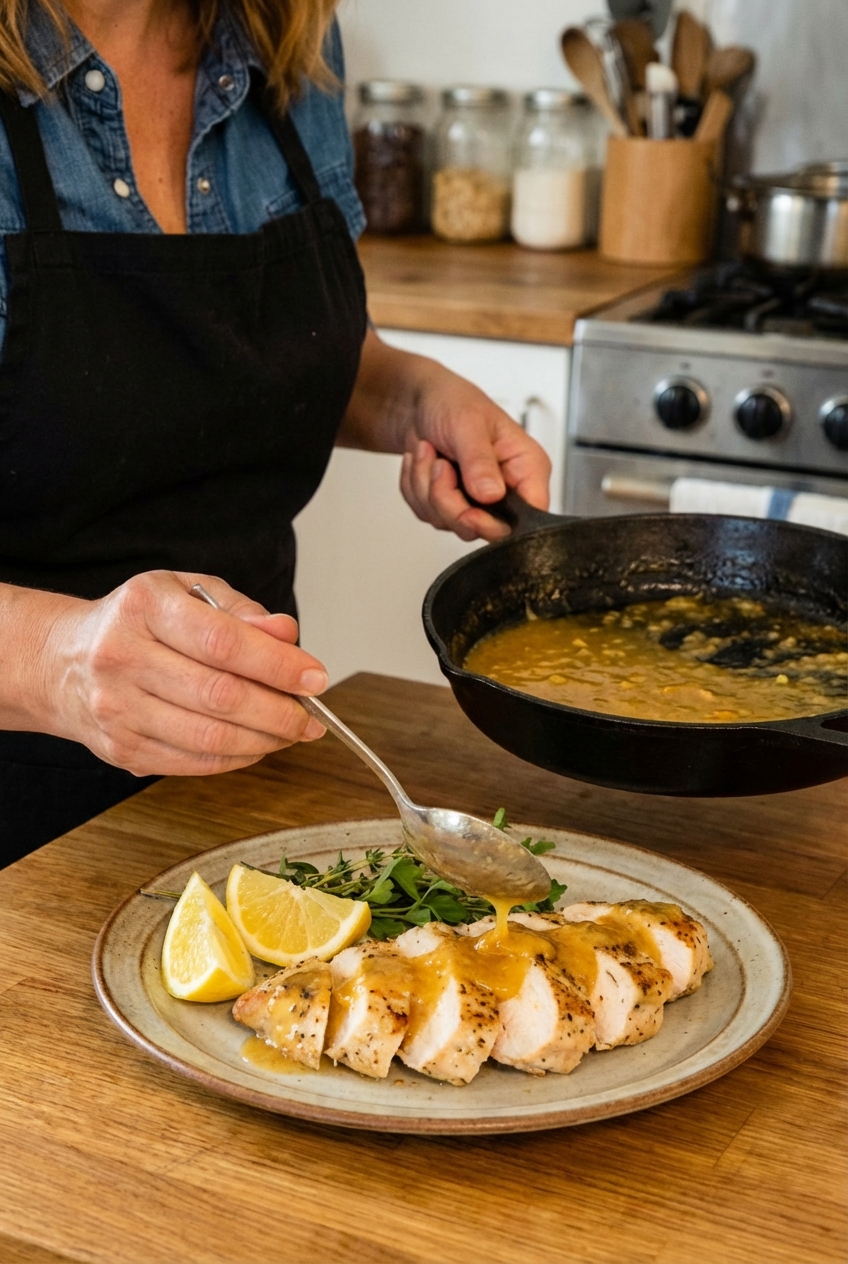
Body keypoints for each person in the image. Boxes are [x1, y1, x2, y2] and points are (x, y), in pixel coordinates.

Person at [0, 0, 550, 866]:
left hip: (249, 788)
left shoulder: (285, 36)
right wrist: (53, 661)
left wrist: (412, 398)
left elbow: (259, 359)